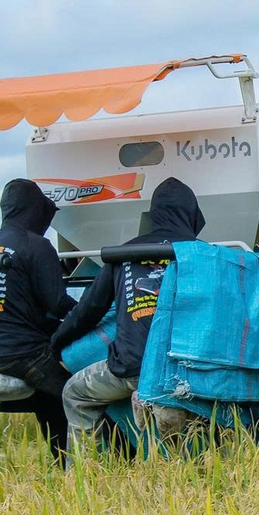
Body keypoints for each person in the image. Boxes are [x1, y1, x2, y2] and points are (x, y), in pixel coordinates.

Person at [51, 177, 207, 451]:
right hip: (189, 369)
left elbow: (86, 311)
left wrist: (56, 342)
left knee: (74, 394)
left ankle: (85, 475)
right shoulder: (207, 256)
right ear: (194, 214)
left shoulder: (122, 255)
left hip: (131, 369)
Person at [0, 178, 76, 461]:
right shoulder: (36, 245)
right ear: (35, 210)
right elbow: (59, 304)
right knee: (83, 392)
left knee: (48, 399)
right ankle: (121, 461)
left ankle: (62, 462)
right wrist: (101, 314)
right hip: (22, 354)